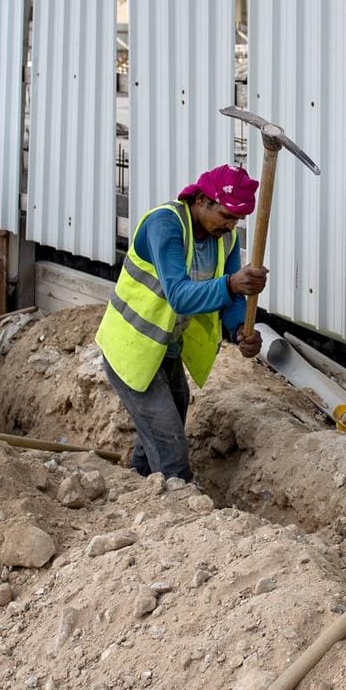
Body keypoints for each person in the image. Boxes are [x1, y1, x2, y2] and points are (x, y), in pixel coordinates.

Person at [96, 164, 268, 481]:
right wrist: (232, 283)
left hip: (166, 347)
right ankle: (180, 510)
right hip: (131, 349)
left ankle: (137, 486)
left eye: (237, 220)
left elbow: (231, 299)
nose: (231, 226)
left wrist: (239, 330)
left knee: (165, 425)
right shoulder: (166, 225)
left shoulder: (223, 240)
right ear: (202, 199)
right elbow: (178, 295)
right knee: (171, 450)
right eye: (227, 216)